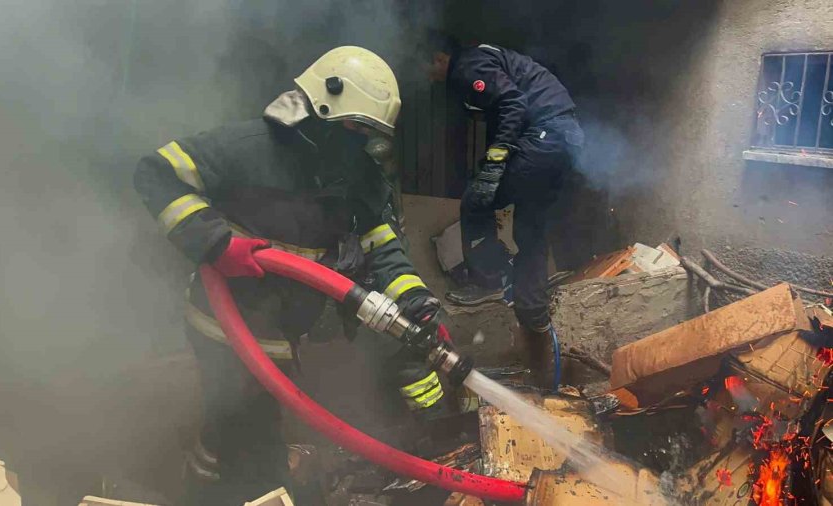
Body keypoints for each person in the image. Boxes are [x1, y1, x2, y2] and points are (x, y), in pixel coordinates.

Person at [134, 46, 444, 505]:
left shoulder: (357, 172)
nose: (361, 141)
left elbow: (384, 246)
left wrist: (415, 299)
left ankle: (204, 477)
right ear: (322, 108)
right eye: (355, 126)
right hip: (225, 321)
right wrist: (217, 245)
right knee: (252, 431)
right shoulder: (248, 148)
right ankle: (239, 489)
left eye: (370, 132)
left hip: (283, 325)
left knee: (232, 424)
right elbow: (156, 173)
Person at [427, 39, 584, 350]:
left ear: (439, 58)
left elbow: (513, 103)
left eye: (427, 68)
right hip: (565, 141)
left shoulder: (467, 65)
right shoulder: (488, 60)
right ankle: (533, 310)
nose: (427, 77)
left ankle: (487, 282)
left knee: (477, 199)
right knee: (530, 224)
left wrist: (494, 164)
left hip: (544, 137)